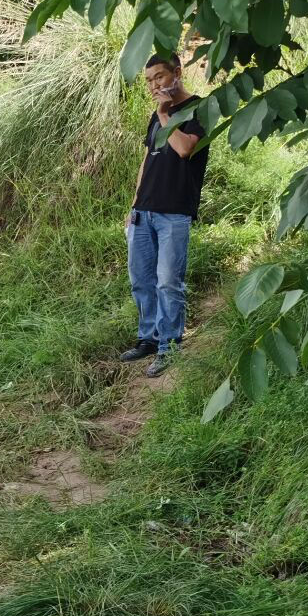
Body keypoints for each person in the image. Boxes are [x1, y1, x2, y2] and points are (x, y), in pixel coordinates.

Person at [122, 53, 210, 378]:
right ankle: (149, 337)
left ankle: (169, 346)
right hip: (143, 211)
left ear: (177, 72)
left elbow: (186, 149)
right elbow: (147, 160)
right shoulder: (155, 115)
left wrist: (163, 116)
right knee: (141, 280)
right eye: (148, 80)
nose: (153, 85)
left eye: (158, 77)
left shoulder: (200, 109)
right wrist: (133, 206)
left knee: (168, 282)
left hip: (174, 212)